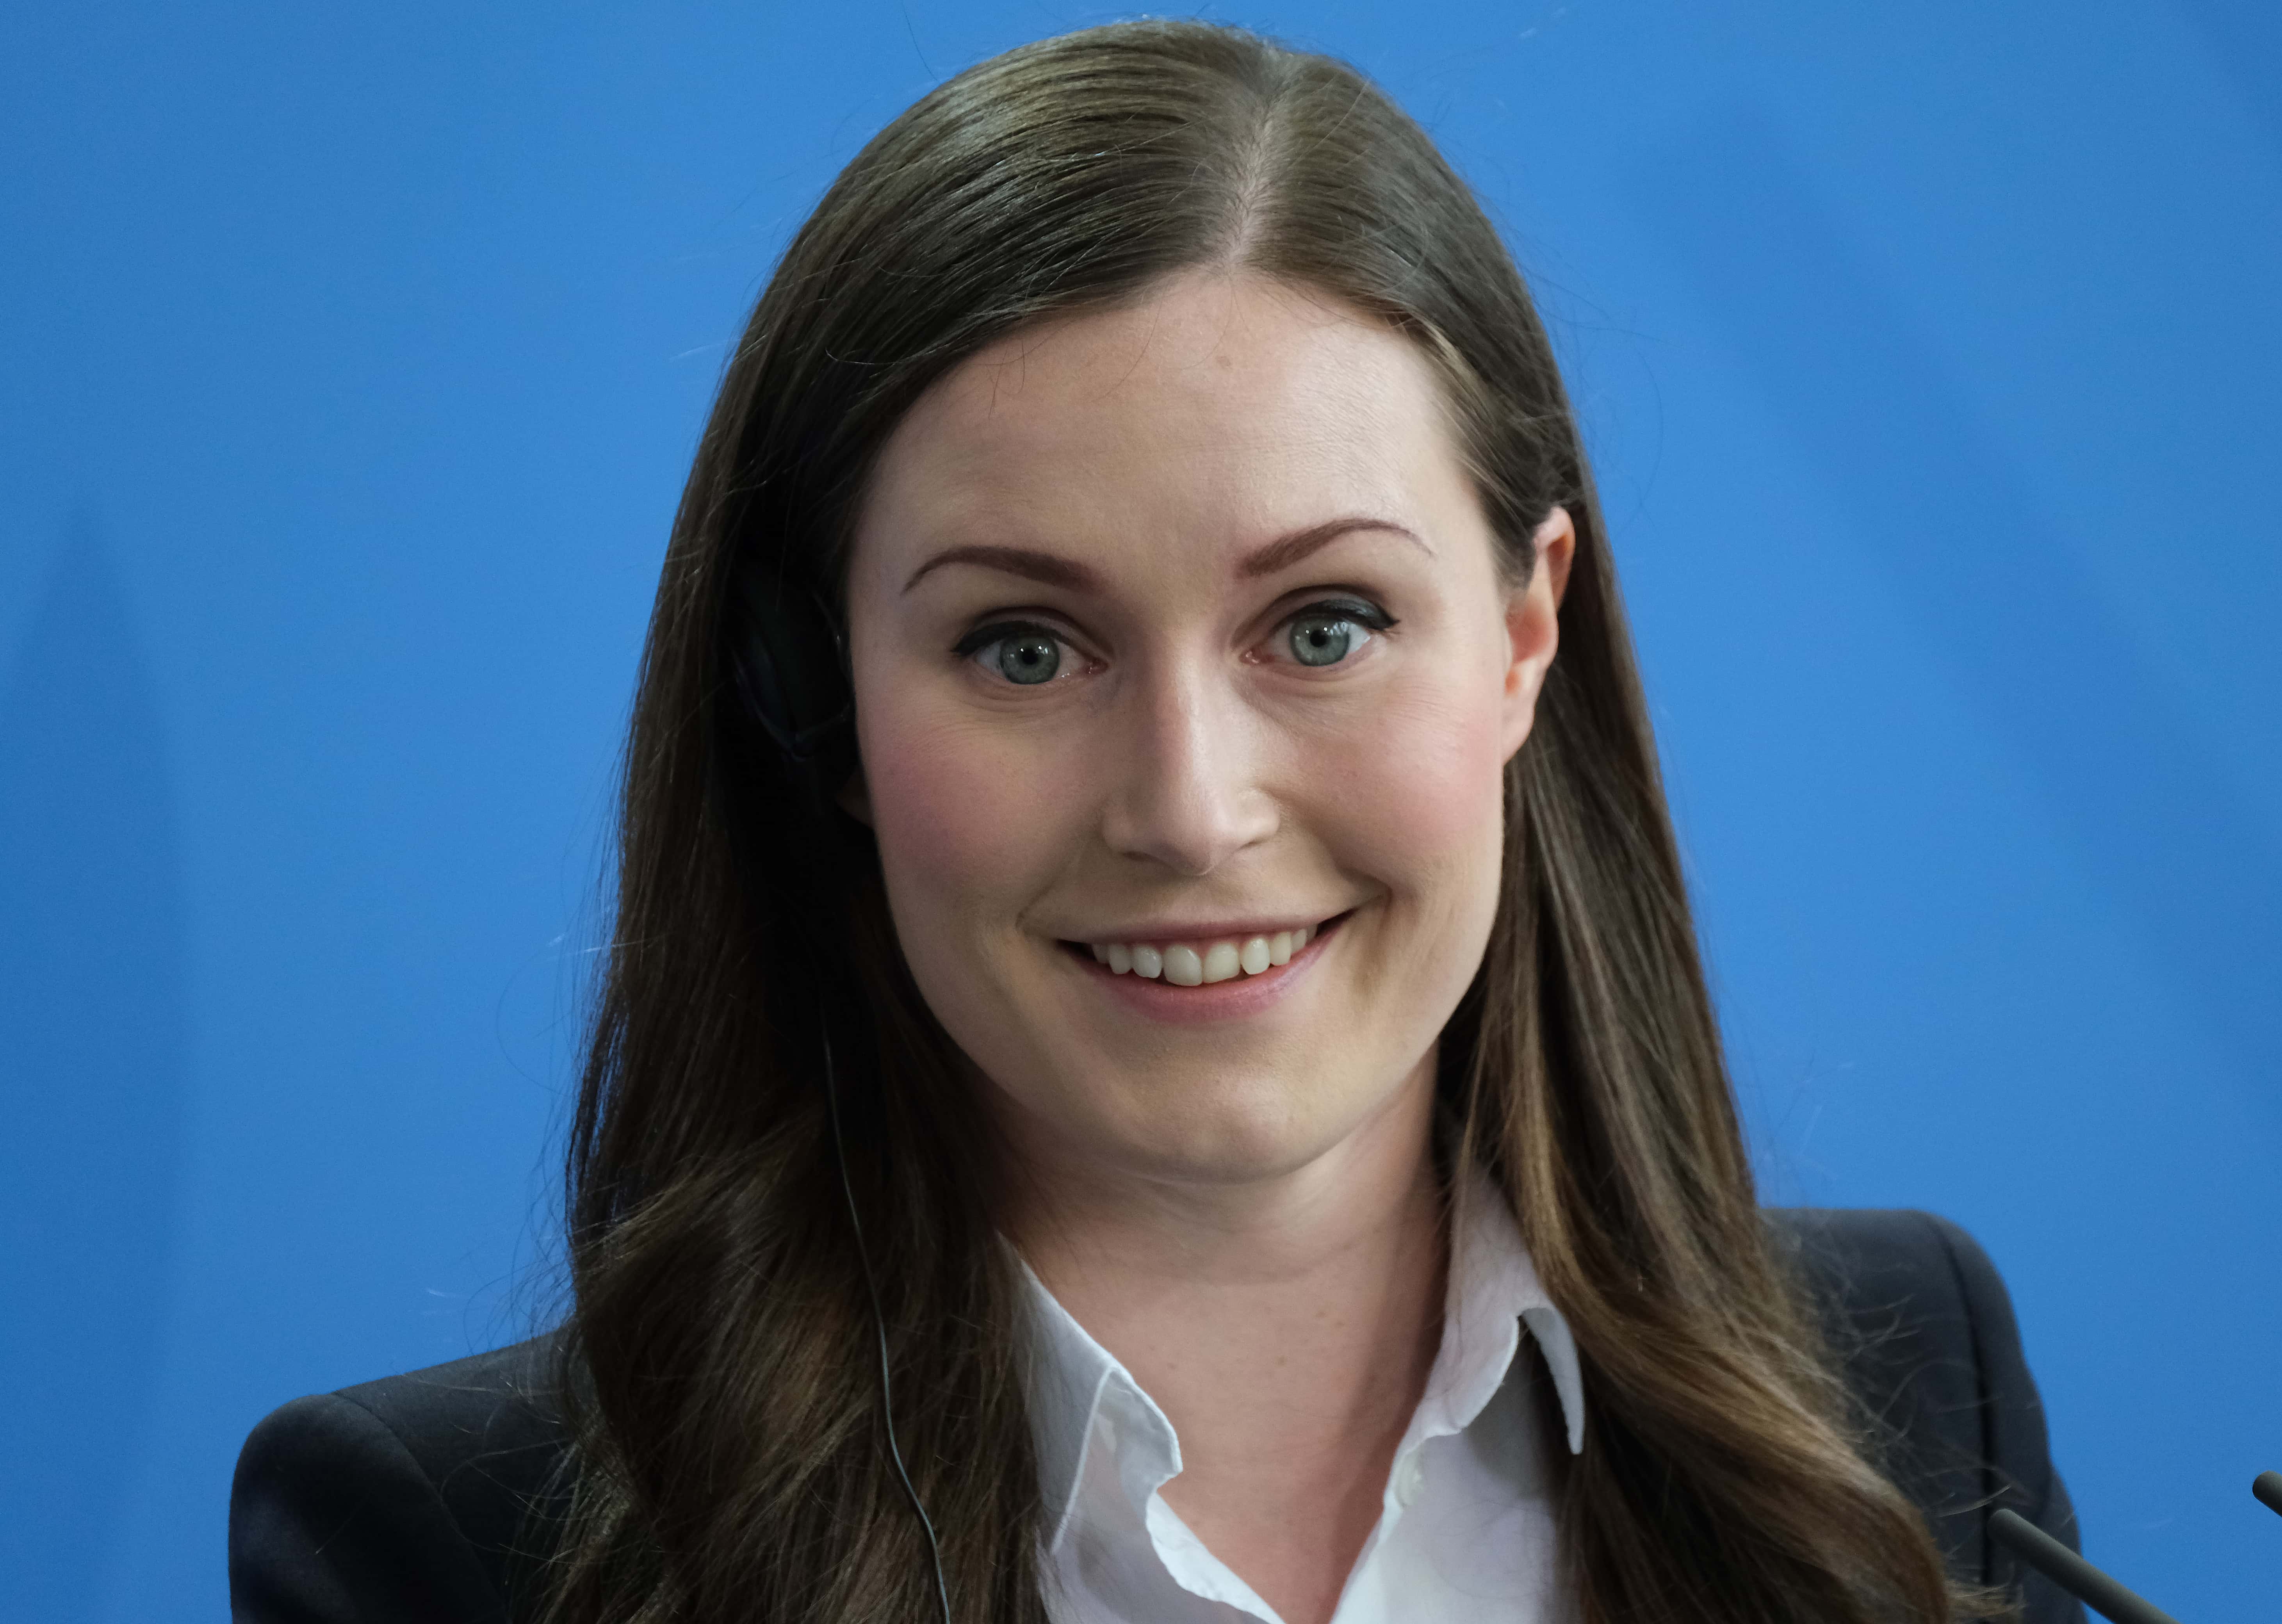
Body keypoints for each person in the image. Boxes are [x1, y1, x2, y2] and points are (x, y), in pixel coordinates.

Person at [228, 19, 2083, 1624]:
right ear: (824, 709)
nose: (1192, 808)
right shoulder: (452, 1541)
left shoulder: (1899, 1396)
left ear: (1527, 638)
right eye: (1024, 646)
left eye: (1326, 626)